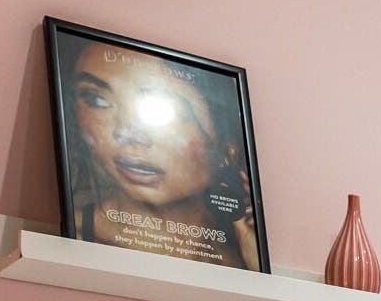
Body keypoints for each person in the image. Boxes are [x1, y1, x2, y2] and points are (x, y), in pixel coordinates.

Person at [57, 36, 261, 268]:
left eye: (173, 106)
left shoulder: (242, 257)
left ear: (229, 148)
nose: (127, 132)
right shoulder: (77, 237)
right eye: (96, 99)